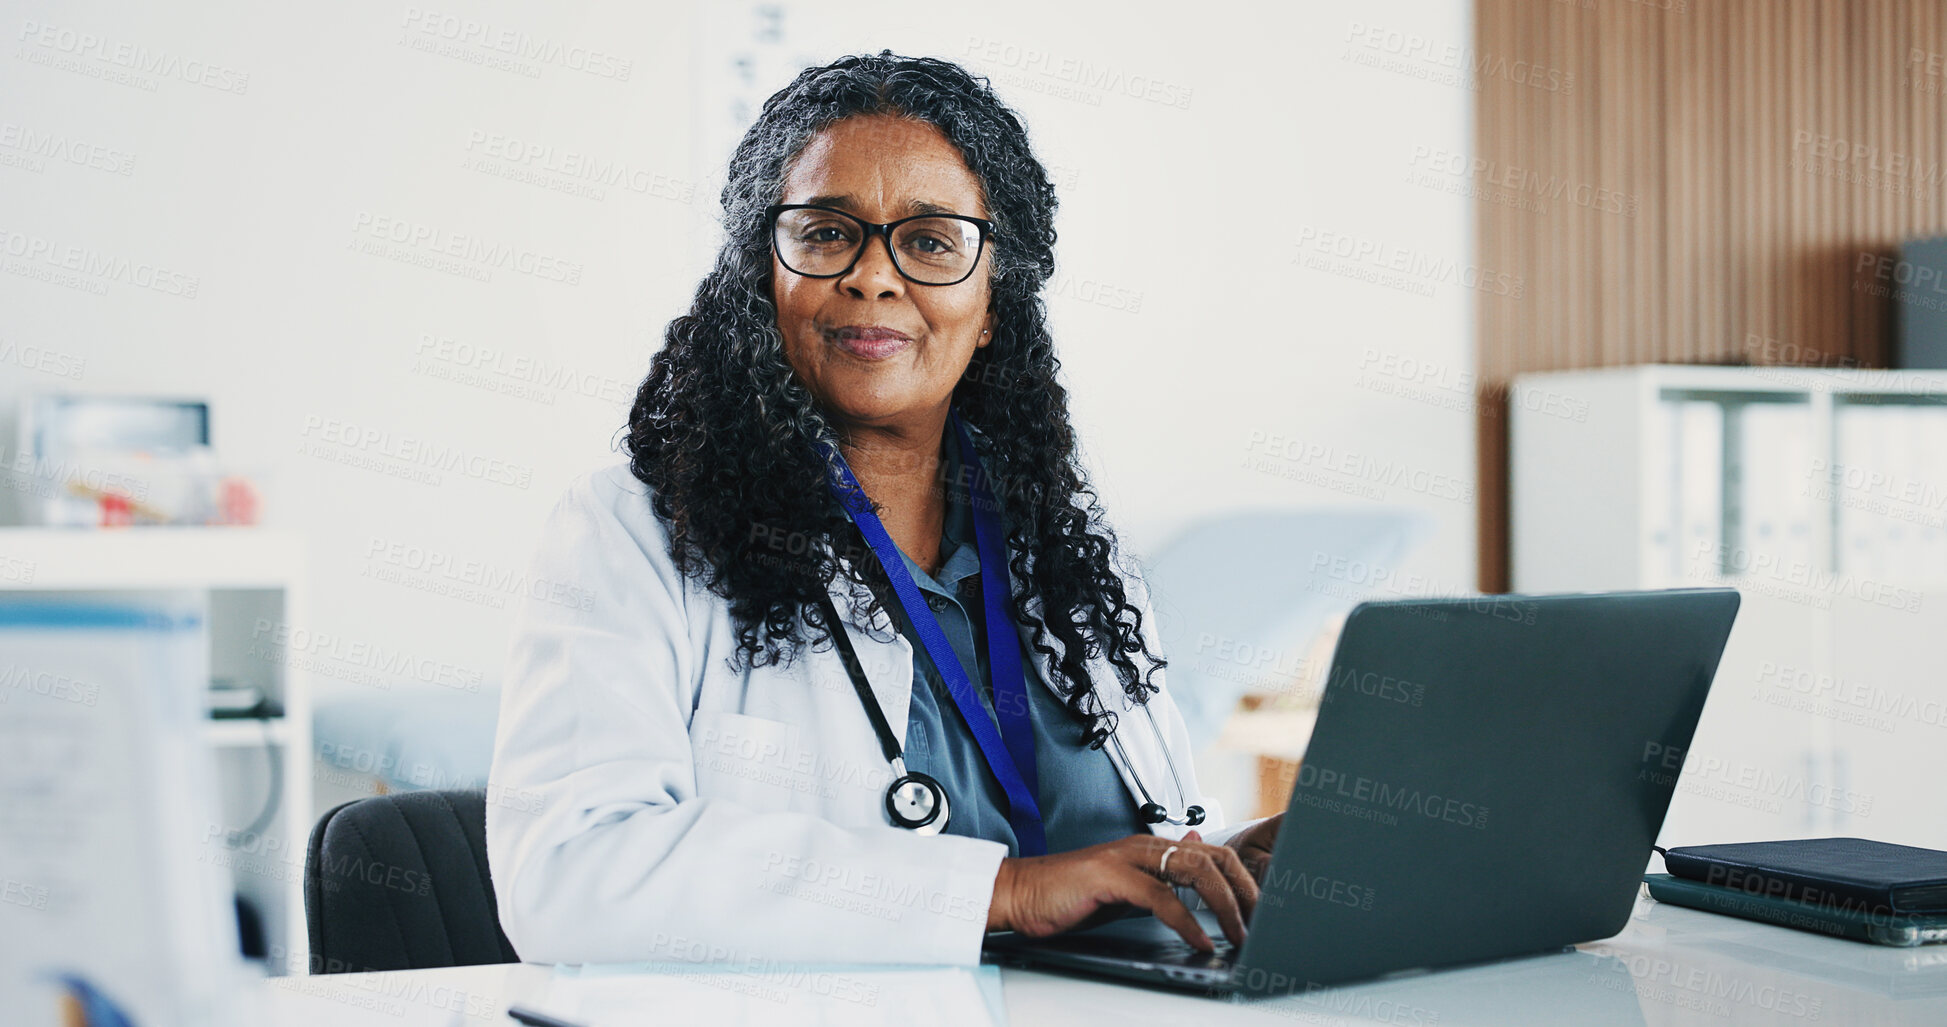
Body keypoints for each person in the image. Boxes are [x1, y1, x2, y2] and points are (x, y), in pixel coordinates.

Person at [486, 51, 1283, 967]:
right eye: (826, 234)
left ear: (992, 303)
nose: (874, 277)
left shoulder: (1065, 547)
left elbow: (1116, 854)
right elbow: (571, 873)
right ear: (763, 276)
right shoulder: (634, 533)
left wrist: (1212, 868)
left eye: (931, 240)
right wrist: (1006, 891)